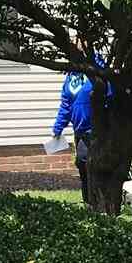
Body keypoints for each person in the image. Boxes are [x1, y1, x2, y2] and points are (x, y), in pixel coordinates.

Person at [50, 58, 110, 197]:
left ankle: (104, 199)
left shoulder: (98, 68)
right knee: (83, 164)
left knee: (99, 165)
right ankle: (89, 200)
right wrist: (58, 128)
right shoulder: (71, 76)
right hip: (80, 130)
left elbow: (110, 95)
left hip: (99, 128)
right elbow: (66, 105)